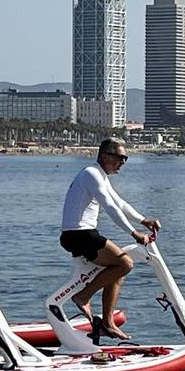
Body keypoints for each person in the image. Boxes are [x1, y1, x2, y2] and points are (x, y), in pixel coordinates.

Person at [59, 137, 160, 341]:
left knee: (118, 271)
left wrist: (143, 220)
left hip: (84, 234)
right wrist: (134, 233)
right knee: (125, 263)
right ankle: (83, 296)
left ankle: (107, 323)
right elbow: (109, 206)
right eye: (119, 157)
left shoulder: (101, 176)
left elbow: (119, 203)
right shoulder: (91, 174)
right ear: (105, 156)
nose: (123, 162)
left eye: (126, 158)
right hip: (78, 235)